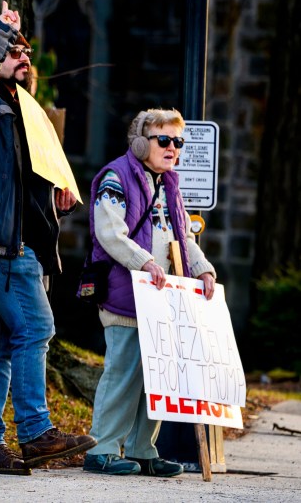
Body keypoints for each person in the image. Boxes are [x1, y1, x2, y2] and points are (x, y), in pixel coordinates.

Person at [0, 1, 96, 476]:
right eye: (13, 49)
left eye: (26, 48)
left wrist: (56, 193)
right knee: (36, 329)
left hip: (13, 240)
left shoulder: (23, 108)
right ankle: (35, 433)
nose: (22, 54)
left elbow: (20, 180)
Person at [82, 108, 217, 477]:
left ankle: (143, 449)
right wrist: (143, 262)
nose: (172, 147)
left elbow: (183, 237)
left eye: (178, 141)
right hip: (125, 294)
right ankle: (103, 448)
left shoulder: (170, 183)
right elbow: (110, 233)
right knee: (123, 372)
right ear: (142, 142)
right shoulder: (117, 176)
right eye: (164, 140)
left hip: (160, 298)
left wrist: (203, 268)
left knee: (156, 377)